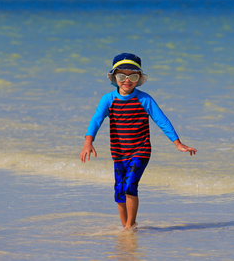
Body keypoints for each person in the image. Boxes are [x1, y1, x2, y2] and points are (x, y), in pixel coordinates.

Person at [80, 52, 197, 231]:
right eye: (122, 76)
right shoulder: (108, 100)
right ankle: (127, 227)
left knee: (129, 184)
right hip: (119, 153)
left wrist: (178, 143)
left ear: (139, 78)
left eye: (133, 76)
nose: (127, 80)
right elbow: (96, 120)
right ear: (114, 77)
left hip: (140, 150)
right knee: (119, 190)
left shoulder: (144, 99)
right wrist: (88, 142)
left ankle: (130, 226)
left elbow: (162, 120)